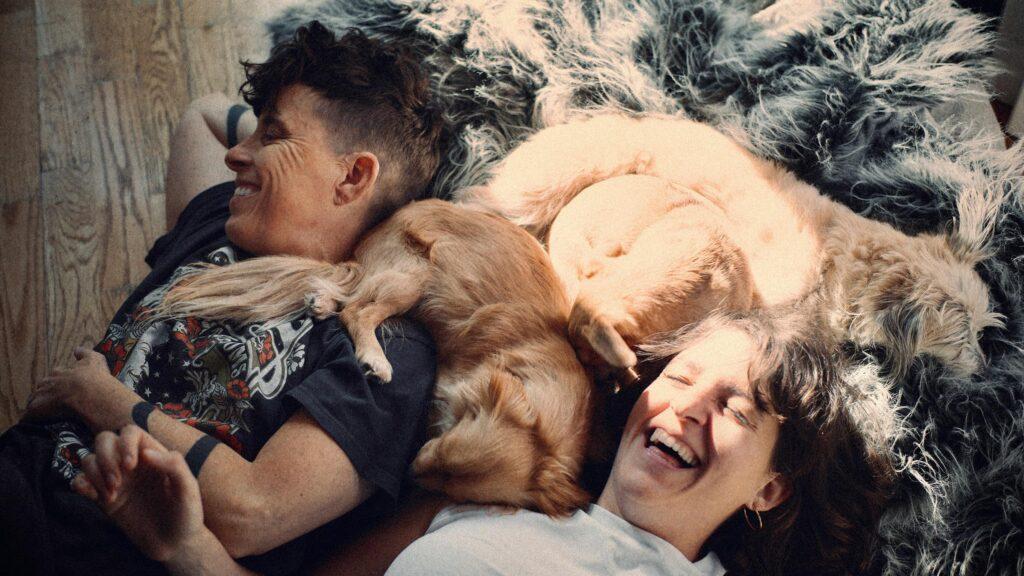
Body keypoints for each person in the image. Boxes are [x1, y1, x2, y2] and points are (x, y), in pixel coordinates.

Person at [0, 21, 447, 575]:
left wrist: (98, 398)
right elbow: (203, 115)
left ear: (354, 177)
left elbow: (253, 512)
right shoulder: (221, 221)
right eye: (253, 133)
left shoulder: (387, 350)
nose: (237, 153)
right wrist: (284, 153)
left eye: (274, 136)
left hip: (97, 552)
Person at [74, 312, 893, 576]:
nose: (682, 409)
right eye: (679, 377)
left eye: (737, 410)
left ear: (770, 489)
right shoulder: (495, 491)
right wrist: (184, 546)